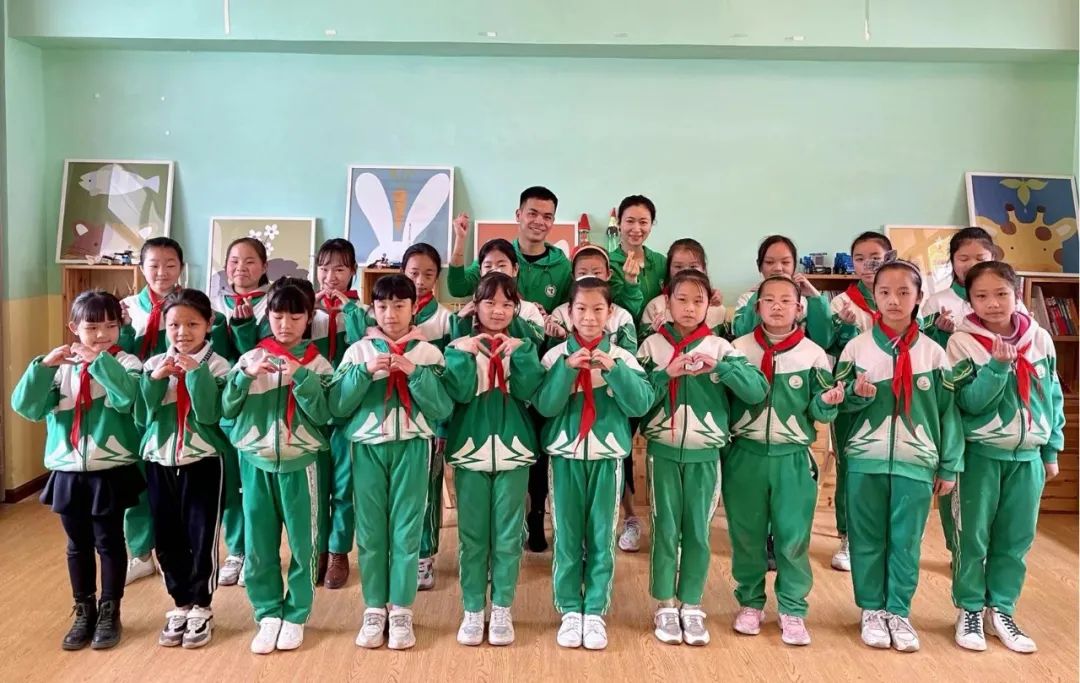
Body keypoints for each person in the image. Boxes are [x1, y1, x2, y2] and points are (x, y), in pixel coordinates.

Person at [835, 258, 962, 653]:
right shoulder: (856, 349)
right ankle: (871, 610)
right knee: (867, 539)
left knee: (906, 542)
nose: (894, 300)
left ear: (919, 297)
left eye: (904, 292)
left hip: (917, 463)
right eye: (885, 292)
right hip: (864, 461)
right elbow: (836, 408)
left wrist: (949, 464)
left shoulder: (934, 354)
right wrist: (854, 396)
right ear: (874, 296)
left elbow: (949, 413)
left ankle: (899, 611)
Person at [638, 269, 769, 646]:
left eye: (698, 301)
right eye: (681, 299)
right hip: (662, 453)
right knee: (665, 529)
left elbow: (756, 391)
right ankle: (665, 603)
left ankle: (692, 603)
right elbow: (637, 399)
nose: (689, 308)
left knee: (697, 530)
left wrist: (721, 369)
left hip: (707, 455)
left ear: (709, 305)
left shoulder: (721, 348)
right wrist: (666, 374)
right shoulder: (651, 347)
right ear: (667, 302)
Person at [12, 290, 144, 650]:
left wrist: (99, 363)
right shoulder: (58, 368)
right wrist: (42, 368)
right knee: (77, 544)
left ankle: (110, 610)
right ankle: (84, 609)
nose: (102, 334)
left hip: (109, 467)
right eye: (92, 327)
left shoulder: (127, 362)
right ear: (74, 327)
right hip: (68, 468)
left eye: (111, 326)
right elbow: (28, 407)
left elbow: (128, 399)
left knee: (109, 541)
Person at [945, 261, 1064, 654]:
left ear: (1017, 294)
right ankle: (969, 608)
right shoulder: (961, 343)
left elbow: (1052, 396)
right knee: (972, 537)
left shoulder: (1040, 338)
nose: (992, 303)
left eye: (1001, 294)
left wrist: (1051, 448)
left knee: (1016, 539)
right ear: (969, 299)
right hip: (979, 455)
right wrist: (997, 368)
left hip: (1028, 457)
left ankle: (1001, 609)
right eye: (981, 296)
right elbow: (968, 403)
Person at [330, 274, 452, 651]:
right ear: (372, 310)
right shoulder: (357, 352)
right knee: (370, 529)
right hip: (368, 446)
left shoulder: (428, 353)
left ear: (414, 308)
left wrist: (414, 373)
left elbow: (442, 408)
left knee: (406, 528)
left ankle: (400, 608)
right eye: (382, 306)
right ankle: (373, 606)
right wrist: (365, 373)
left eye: (399, 305)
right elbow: (337, 405)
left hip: (413, 445)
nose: (390, 314)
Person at [536, 277, 654, 651]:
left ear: (610, 313)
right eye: (581, 309)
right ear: (569, 312)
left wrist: (614, 370)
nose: (589, 317)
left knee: (602, 535)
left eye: (598, 309)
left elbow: (640, 405)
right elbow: (545, 406)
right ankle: (571, 609)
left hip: (607, 456)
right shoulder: (554, 357)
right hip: (565, 456)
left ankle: (595, 610)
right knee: (567, 535)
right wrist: (567, 370)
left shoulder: (624, 358)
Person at [727, 275, 843, 646]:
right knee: (746, 536)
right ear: (757, 306)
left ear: (799, 308)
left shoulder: (813, 354)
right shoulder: (737, 349)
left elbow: (819, 412)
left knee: (792, 538)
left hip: (792, 458)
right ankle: (750, 603)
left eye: (786, 300)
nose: (777, 306)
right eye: (769, 300)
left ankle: (793, 609)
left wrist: (826, 403)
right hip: (745, 456)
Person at [222, 278, 333, 654]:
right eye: (278, 315)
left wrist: (300, 375)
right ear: (266, 316)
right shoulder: (250, 358)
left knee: (304, 545)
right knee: (259, 545)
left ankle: (297, 614)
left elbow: (325, 414)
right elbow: (227, 409)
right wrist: (243, 376)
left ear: (309, 318)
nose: (285, 324)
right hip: (256, 464)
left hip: (302, 464)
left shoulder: (318, 363)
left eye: (295, 317)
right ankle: (267, 612)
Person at [442, 272, 545, 646]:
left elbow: (529, 390)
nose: (498, 311)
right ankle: (473, 608)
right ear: (476, 305)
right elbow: (458, 393)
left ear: (516, 307)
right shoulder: (457, 347)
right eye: (490, 302)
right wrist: (466, 355)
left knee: (507, 535)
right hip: (470, 450)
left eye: (506, 303)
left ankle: (502, 607)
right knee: (472, 536)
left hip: (514, 449)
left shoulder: (524, 346)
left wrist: (520, 354)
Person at [138, 289, 231, 649]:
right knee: (166, 537)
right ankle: (180, 603)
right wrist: (155, 380)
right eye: (174, 325)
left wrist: (196, 375)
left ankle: (202, 606)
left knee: (201, 537)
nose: (183, 332)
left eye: (193, 324)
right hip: (159, 460)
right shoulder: (153, 364)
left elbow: (210, 414)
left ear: (209, 324)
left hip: (203, 461)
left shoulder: (219, 366)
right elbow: (142, 415)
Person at [827, 230, 893, 573]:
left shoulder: (902, 298)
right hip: (852, 394)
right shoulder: (842, 302)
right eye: (860, 259)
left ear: (890, 258)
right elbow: (830, 347)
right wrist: (845, 328)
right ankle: (848, 536)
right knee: (850, 465)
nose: (868, 265)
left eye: (876, 258)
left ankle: (885, 536)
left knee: (890, 463)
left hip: (894, 394)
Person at [212, 236, 272, 588]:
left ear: (264, 267)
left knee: (257, 487)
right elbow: (215, 358)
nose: (241, 268)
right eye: (234, 261)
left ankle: (258, 552)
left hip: (262, 405)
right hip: (227, 406)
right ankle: (236, 550)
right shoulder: (213, 305)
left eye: (250, 261)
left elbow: (265, 355)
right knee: (231, 484)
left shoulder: (274, 305)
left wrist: (246, 329)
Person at [310, 238, 368, 589]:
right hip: (311, 412)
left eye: (340, 269)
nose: (331, 277)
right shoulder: (304, 310)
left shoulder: (363, 312)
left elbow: (365, 347)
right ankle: (316, 549)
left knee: (344, 486)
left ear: (353, 273)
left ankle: (338, 551)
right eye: (324, 268)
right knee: (315, 487)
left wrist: (351, 312)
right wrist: (307, 308)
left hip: (348, 412)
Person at [400, 243, 453, 591]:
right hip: (392, 421)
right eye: (413, 273)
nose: (420, 280)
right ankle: (399, 553)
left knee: (428, 490)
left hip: (429, 421)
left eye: (428, 274)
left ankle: (424, 555)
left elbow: (447, 381)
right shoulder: (385, 316)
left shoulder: (445, 319)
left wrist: (443, 426)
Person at [448, 186, 572, 314]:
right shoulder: (498, 256)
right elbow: (457, 288)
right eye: (532, 214)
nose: (539, 221)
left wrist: (547, 318)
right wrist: (460, 239)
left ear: (552, 221)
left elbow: (569, 313)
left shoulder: (563, 267)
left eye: (547, 217)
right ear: (518, 215)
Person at [729, 235, 833, 347]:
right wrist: (760, 294)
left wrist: (815, 296)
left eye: (785, 262)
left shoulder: (807, 300)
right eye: (769, 262)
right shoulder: (748, 298)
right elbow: (741, 335)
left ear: (794, 265)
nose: (778, 268)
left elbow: (823, 342)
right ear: (760, 265)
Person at [607, 195, 667, 323]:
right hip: (622, 334)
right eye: (630, 221)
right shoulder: (607, 263)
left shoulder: (661, 262)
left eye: (643, 222)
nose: (636, 229)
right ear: (619, 223)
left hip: (658, 334)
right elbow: (619, 314)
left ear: (651, 225)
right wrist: (630, 283)